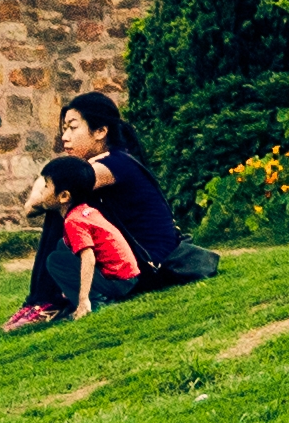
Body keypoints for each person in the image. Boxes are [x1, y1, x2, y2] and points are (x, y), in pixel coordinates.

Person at [55, 92, 208, 287]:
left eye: (73, 128)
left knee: (60, 203)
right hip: (140, 262)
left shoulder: (115, 164)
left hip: (151, 264)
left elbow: (55, 189)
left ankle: (42, 301)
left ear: (100, 131)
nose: (65, 137)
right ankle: (48, 299)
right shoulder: (113, 161)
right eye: (64, 129)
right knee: (65, 230)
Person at [3, 160, 143, 330]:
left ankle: (95, 303)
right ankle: (78, 297)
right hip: (128, 277)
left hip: (119, 281)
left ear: (64, 196)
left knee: (54, 261)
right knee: (63, 246)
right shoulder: (85, 211)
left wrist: (83, 299)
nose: (42, 190)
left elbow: (89, 258)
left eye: (46, 186)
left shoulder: (73, 221)